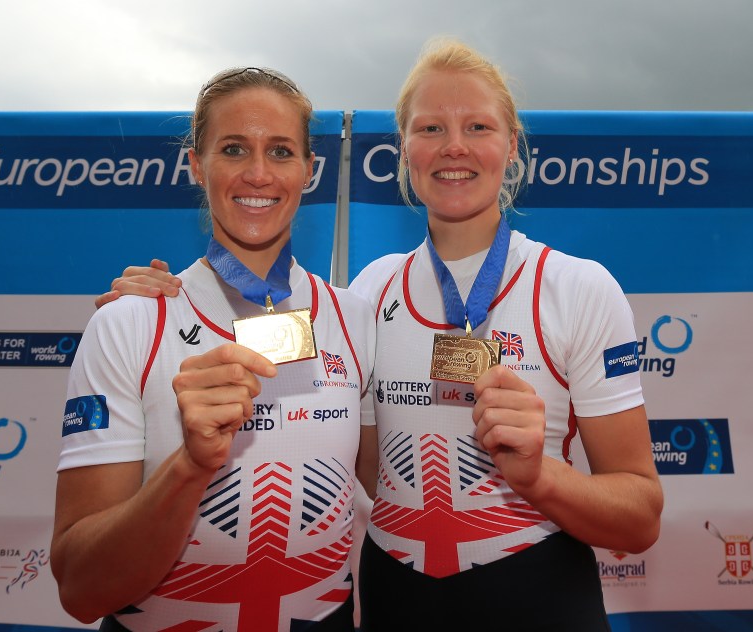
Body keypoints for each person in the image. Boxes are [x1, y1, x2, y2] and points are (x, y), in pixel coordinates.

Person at [100, 39, 663, 631]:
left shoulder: (578, 287)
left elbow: (640, 517)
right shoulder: (370, 293)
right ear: (404, 150)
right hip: (398, 602)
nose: (454, 146)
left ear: (511, 145)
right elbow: (363, 464)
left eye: (477, 125)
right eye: (429, 128)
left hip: (539, 598)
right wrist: (153, 305)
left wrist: (540, 476)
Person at [51, 66, 375, 632]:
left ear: (308, 171)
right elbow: (81, 588)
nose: (257, 173)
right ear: (197, 165)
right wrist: (190, 467)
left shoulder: (354, 318)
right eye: (233, 148)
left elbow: (390, 497)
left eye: (280, 151)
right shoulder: (129, 324)